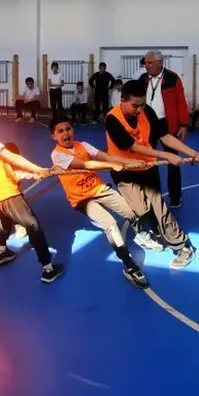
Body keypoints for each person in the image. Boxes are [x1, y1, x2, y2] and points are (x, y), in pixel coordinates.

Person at [105, 79, 199, 268]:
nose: (139, 110)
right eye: (135, 105)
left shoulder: (148, 112)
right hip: (124, 171)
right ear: (122, 100)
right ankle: (144, 233)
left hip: (147, 168)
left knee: (160, 209)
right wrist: (167, 155)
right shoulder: (112, 119)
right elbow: (133, 146)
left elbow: (165, 136)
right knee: (139, 210)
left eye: (142, 105)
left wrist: (193, 153)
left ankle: (183, 247)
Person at [0, 109, 65, 282]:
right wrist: (39, 169)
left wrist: (33, 174)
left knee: (5, 216)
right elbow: (12, 157)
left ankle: (1, 251)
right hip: (4, 192)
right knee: (33, 225)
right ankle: (48, 269)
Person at [49, 118, 150, 289]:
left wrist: (129, 162)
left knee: (131, 212)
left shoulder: (83, 145)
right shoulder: (57, 155)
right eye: (60, 131)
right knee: (110, 224)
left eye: (68, 129)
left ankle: (142, 235)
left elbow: (105, 155)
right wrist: (112, 166)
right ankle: (129, 265)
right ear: (54, 136)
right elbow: (86, 164)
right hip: (82, 199)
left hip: (99, 189)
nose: (66, 133)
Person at [139, 51, 191, 208]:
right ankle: (150, 194)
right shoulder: (142, 79)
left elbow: (181, 101)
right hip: (146, 124)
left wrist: (183, 124)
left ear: (160, 63)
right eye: (145, 63)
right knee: (147, 160)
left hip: (167, 124)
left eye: (149, 63)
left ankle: (175, 196)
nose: (146, 66)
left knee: (173, 160)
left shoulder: (173, 78)